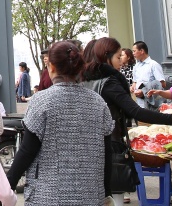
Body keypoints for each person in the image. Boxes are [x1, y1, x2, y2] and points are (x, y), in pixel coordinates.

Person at [83, 37, 172, 205]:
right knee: (113, 194)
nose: (122, 61)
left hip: (90, 144)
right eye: (118, 57)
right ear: (106, 57)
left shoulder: (87, 80)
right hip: (110, 143)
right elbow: (136, 112)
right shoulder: (110, 82)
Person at [6, 41, 114, 205]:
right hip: (91, 195)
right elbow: (107, 152)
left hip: (48, 194)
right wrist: (106, 191)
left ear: (52, 67)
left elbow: (27, 150)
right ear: (79, 67)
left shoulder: (41, 101)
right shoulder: (98, 102)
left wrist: (8, 184)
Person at [130, 41, 165, 109]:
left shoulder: (153, 65)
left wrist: (144, 91)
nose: (133, 53)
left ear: (142, 51)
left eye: (134, 51)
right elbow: (135, 82)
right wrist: (133, 87)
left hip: (152, 103)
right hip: (139, 103)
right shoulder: (136, 66)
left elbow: (162, 84)